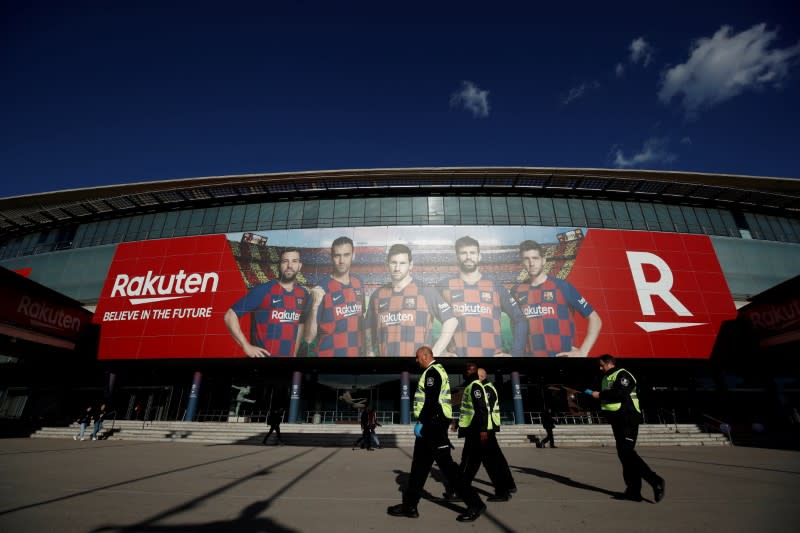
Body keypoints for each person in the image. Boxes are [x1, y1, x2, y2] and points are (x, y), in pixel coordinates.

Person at [387, 346, 485, 522]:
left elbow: (431, 401)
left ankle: (475, 504)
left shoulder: (433, 372)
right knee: (418, 467)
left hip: (433, 424)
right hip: (432, 424)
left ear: (426, 356)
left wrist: (422, 422)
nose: (416, 360)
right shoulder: (433, 372)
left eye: (418, 357)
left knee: (448, 467)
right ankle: (410, 506)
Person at [586, 354, 665, 503]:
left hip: (628, 418)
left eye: (602, 365)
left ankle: (656, 481)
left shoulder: (622, 374)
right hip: (617, 419)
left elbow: (620, 393)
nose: (600, 367)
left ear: (610, 363)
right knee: (624, 455)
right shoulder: (606, 378)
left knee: (627, 452)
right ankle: (633, 491)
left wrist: (600, 394)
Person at [365, 244, 458, 358]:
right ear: (387, 264)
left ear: (411, 265)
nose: (397, 268)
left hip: (419, 367)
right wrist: (369, 351)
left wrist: (435, 353)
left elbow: (451, 321)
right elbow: (368, 326)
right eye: (393, 262)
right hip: (388, 368)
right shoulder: (377, 295)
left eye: (402, 263)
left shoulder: (425, 291)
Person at [441, 236, 527, 357]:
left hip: (490, 362)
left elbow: (519, 319)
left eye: (472, 253)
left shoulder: (495, 286)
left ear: (479, 256)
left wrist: (515, 354)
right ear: (457, 257)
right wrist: (439, 351)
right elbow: (425, 319)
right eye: (463, 253)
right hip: (457, 362)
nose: (468, 257)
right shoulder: (444, 286)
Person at [514, 240, 602, 357]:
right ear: (522, 263)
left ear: (543, 261)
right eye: (526, 259)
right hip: (531, 361)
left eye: (535, 258)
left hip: (562, 359)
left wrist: (583, 351)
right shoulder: (516, 291)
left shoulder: (562, 286)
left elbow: (595, 319)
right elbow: (516, 324)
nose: (531, 263)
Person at [224, 248, 310, 357]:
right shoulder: (264, 290)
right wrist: (246, 346)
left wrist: (294, 353)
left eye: (294, 261)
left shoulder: (303, 294)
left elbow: (301, 324)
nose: (289, 265)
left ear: (299, 265)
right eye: (285, 261)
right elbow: (230, 315)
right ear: (279, 265)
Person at [456, 363, 512, 502]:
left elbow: (482, 409)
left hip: (480, 431)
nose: (465, 373)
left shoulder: (476, 386)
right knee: (474, 462)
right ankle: (462, 491)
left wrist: (483, 430)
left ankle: (502, 491)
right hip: (476, 430)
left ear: (473, 373)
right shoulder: (473, 386)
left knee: (486, 462)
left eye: (467, 370)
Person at [304, 236, 366, 357]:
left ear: (353, 255)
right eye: (337, 255)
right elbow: (308, 338)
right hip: (329, 360)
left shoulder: (359, 283)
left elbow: (360, 317)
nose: (342, 260)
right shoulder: (322, 288)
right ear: (332, 257)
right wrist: (314, 307)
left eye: (346, 255)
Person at [479, 368, 517, 492]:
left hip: (487, 429)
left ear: (483, 377)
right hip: (487, 428)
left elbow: (484, 409)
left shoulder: (487, 389)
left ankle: (503, 488)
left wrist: (483, 428)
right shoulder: (483, 388)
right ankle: (509, 485)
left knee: (492, 460)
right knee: (496, 458)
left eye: (477, 375)